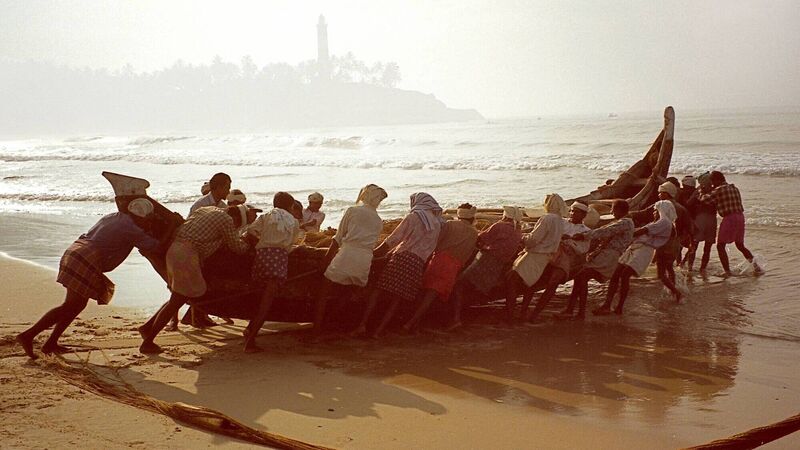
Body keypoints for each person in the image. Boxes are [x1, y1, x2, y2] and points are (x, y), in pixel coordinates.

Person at [17, 199, 165, 359]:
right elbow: (155, 246)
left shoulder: (114, 216)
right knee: (70, 305)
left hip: (77, 249)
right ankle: (28, 336)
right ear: (141, 217)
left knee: (77, 304)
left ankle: (50, 343)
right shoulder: (131, 228)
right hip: (87, 257)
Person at [138, 203, 258, 354]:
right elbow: (237, 247)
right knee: (178, 299)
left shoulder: (206, 209)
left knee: (177, 296)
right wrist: (250, 243)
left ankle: (147, 327)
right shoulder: (226, 220)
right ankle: (148, 342)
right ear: (237, 217)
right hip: (187, 255)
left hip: (175, 250)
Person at [351, 192, 443, 338]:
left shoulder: (413, 216)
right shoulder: (437, 223)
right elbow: (431, 247)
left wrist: (374, 252)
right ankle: (379, 331)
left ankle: (362, 324)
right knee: (397, 299)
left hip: (402, 258)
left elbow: (394, 238)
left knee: (379, 290)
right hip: (418, 263)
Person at [312, 185, 387, 341]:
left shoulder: (353, 211)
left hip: (348, 254)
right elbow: (372, 244)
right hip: (364, 260)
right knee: (346, 294)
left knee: (324, 291)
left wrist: (326, 261)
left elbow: (338, 238)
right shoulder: (379, 221)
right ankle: (331, 323)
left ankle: (317, 330)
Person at [402, 203, 479, 333]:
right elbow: (468, 253)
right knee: (433, 294)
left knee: (427, 292)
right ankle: (413, 323)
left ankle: (411, 323)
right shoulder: (474, 233)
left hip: (438, 260)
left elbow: (436, 241)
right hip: (454, 265)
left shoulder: (449, 224)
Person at [593, 200, 677, 315]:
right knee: (616, 274)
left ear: (661, 211)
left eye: (655, 211)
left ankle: (619, 307)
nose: (653, 214)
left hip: (644, 251)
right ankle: (607, 305)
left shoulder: (664, 222)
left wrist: (621, 231)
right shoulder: (659, 222)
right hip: (636, 248)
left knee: (625, 275)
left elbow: (640, 231)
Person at [241, 192, 300, 353]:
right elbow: (293, 242)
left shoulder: (266, 215)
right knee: (266, 303)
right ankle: (250, 341)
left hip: (262, 257)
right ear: (290, 206)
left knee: (259, 299)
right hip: (279, 260)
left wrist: (259, 243)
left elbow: (250, 231)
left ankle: (249, 330)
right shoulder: (293, 221)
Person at [558, 200, 634, 319]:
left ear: (619, 210)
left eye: (613, 209)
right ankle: (572, 309)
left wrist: (584, 235)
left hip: (609, 256)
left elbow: (605, 231)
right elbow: (606, 230)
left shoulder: (625, 223)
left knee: (581, 276)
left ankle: (578, 312)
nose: (611, 211)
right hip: (607, 255)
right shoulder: (623, 222)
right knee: (580, 277)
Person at [449, 206, 523, 329]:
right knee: (475, 286)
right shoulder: (518, 232)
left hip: (485, 261)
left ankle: (456, 318)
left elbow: (480, 238)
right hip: (498, 266)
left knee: (459, 284)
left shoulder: (499, 226)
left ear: (505, 216)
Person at [523, 202, 590, 322]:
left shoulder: (586, 231)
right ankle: (523, 311)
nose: (572, 213)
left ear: (584, 215)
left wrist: (569, 240)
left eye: (576, 211)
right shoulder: (560, 222)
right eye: (571, 210)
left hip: (567, 259)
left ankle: (535, 314)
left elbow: (582, 250)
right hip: (550, 252)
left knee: (553, 282)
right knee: (533, 278)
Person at [504, 194, 566, 322]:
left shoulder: (547, 218)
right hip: (547, 256)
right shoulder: (560, 220)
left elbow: (533, 240)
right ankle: (523, 313)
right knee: (530, 284)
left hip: (535, 255)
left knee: (511, 279)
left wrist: (522, 237)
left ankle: (509, 316)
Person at [700, 171, 761, 275]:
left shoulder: (719, 190)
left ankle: (727, 271)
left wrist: (701, 191)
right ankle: (756, 267)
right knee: (740, 245)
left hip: (729, 218)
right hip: (740, 217)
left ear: (717, 180)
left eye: (712, 181)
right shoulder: (734, 188)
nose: (712, 184)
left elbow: (704, 200)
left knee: (720, 246)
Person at [653, 182, 691, 302]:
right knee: (669, 267)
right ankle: (672, 290)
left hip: (663, 243)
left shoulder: (661, 207)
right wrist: (690, 242)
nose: (658, 195)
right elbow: (689, 227)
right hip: (675, 242)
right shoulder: (681, 208)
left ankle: (676, 292)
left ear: (666, 194)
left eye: (660, 193)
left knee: (660, 273)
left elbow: (647, 217)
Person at [683, 172, 717, 272]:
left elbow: (689, 203)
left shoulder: (699, 190)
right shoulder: (716, 190)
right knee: (707, 247)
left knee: (694, 245)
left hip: (700, 219)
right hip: (712, 219)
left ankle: (689, 268)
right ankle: (702, 269)